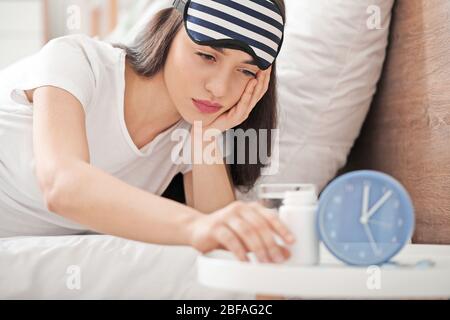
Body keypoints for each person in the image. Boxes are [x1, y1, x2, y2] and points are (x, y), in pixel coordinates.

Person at [0, 0, 294, 265]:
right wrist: (194, 227)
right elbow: (62, 185)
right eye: (207, 56)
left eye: (246, 72)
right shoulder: (76, 60)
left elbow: (223, 248)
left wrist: (207, 134)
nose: (219, 88)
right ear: (168, 32)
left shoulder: (190, 130)